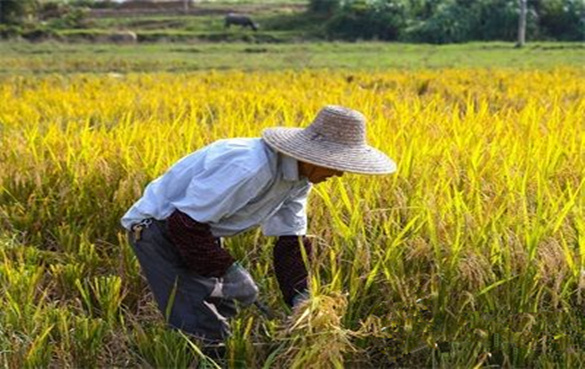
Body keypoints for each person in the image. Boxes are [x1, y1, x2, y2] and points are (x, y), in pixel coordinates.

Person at [121, 105, 396, 343]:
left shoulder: (299, 179)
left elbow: (291, 240)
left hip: (198, 233)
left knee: (221, 307)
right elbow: (183, 224)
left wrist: (300, 297)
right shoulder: (249, 166)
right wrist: (230, 271)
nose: (338, 173)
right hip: (159, 231)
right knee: (203, 326)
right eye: (335, 164)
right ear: (312, 155)